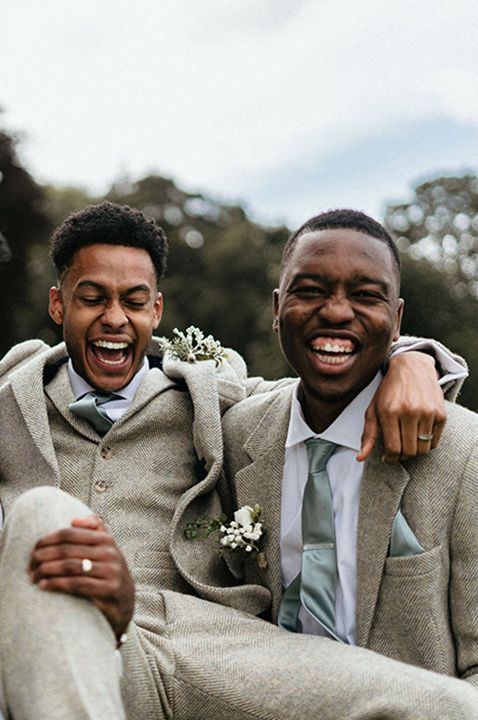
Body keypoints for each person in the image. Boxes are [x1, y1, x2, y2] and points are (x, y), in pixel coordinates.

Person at [0, 201, 476, 720]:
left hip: (201, 642)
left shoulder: (209, 399)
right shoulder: (12, 399)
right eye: (92, 298)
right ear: (58, 304)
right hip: (71, 646)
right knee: (42, 513)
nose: (114, 317)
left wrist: (412, 358)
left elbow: (320, 379)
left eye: (133, 301)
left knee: (444, 705)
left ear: (155, 311)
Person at [221, 208, 478, 687]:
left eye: (364, 295)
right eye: (312, 291)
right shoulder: (236, 435)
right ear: (277, 309)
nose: (336, 312)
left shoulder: (465, 453)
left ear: (396, 319)